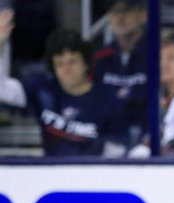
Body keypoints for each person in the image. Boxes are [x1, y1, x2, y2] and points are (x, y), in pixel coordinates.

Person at [0, 17, 127, 157]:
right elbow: (3, 90)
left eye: (72, 62)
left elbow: (116, 151)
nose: (66, 69)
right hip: (50, 174)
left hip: (91, 174)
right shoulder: (43, 90)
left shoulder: (108, 101)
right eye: (60, 64)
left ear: (85, 63)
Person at [93, 0, 149, 150]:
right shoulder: (100, 58)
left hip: (148, 143)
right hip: (106, 143)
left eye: (125, 11)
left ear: (142, 15)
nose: (119, 18)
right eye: (114, 12)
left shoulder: (158, 55)